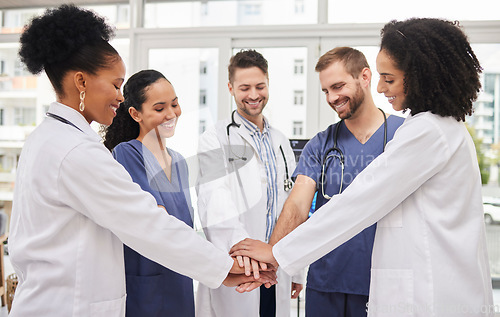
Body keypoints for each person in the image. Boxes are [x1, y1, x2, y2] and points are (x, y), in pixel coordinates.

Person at [9, 5, 272, 317]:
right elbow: (146, 222)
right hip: (68, 304)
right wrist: (224, 267)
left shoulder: (51, 139)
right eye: (116, 84)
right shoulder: (76, 151)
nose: (121, 98)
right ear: (81, 82)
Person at [231, 18, 495, 317]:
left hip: (429, 293)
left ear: (420, 76)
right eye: (325, 90)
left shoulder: (425, 131)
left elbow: (362, 199)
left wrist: (276, 253)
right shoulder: (438, 128)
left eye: (389, 78)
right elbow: (301, 202)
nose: (382, 88)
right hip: (344, 280)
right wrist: (277, 253)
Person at [266, 47, 404, 317]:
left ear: (365, 77)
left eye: (338, 86)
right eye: (326, 91)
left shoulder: (403, 135)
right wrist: (271, 256)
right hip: (326, 282)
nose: (332, 98)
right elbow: (297, 205)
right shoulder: (321, 144)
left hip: (383, 281)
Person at [196, 49, 304, 317]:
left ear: (268, 84)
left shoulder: (280, 141)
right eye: (245, 87)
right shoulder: (215, 138)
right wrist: (247, 255)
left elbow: (293, 205)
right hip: (242, 266)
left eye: (260, 86)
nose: (254, 95)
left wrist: (298, 266)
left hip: (278, 264)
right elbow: (214, 201)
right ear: (231, 88)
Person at [102, 70, 196, 316]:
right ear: (135, 114)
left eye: (175, 104)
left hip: (182, 279)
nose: (171, 114)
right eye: (159, 108)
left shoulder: (180, 162)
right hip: (147, 286)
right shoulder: (126, 154)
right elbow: (154, 221)